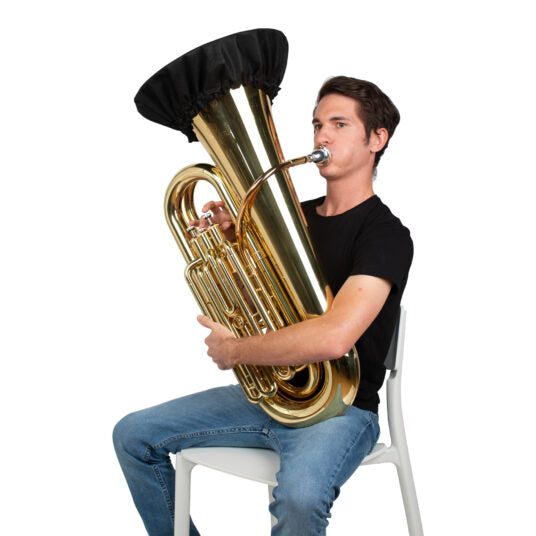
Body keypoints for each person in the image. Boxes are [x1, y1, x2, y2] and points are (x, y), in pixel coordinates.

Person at [113, 76, 413, 536]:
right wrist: (232, 246)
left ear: (377, 139)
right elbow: (257, 307)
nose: (322, 136)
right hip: (271, 397)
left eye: (339, 124)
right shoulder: (291, 217)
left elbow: (334, 337)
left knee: (300, 498)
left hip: (343, 408)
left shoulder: (386, 235)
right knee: (133, 435)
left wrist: (236, 352)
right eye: (317, 125)